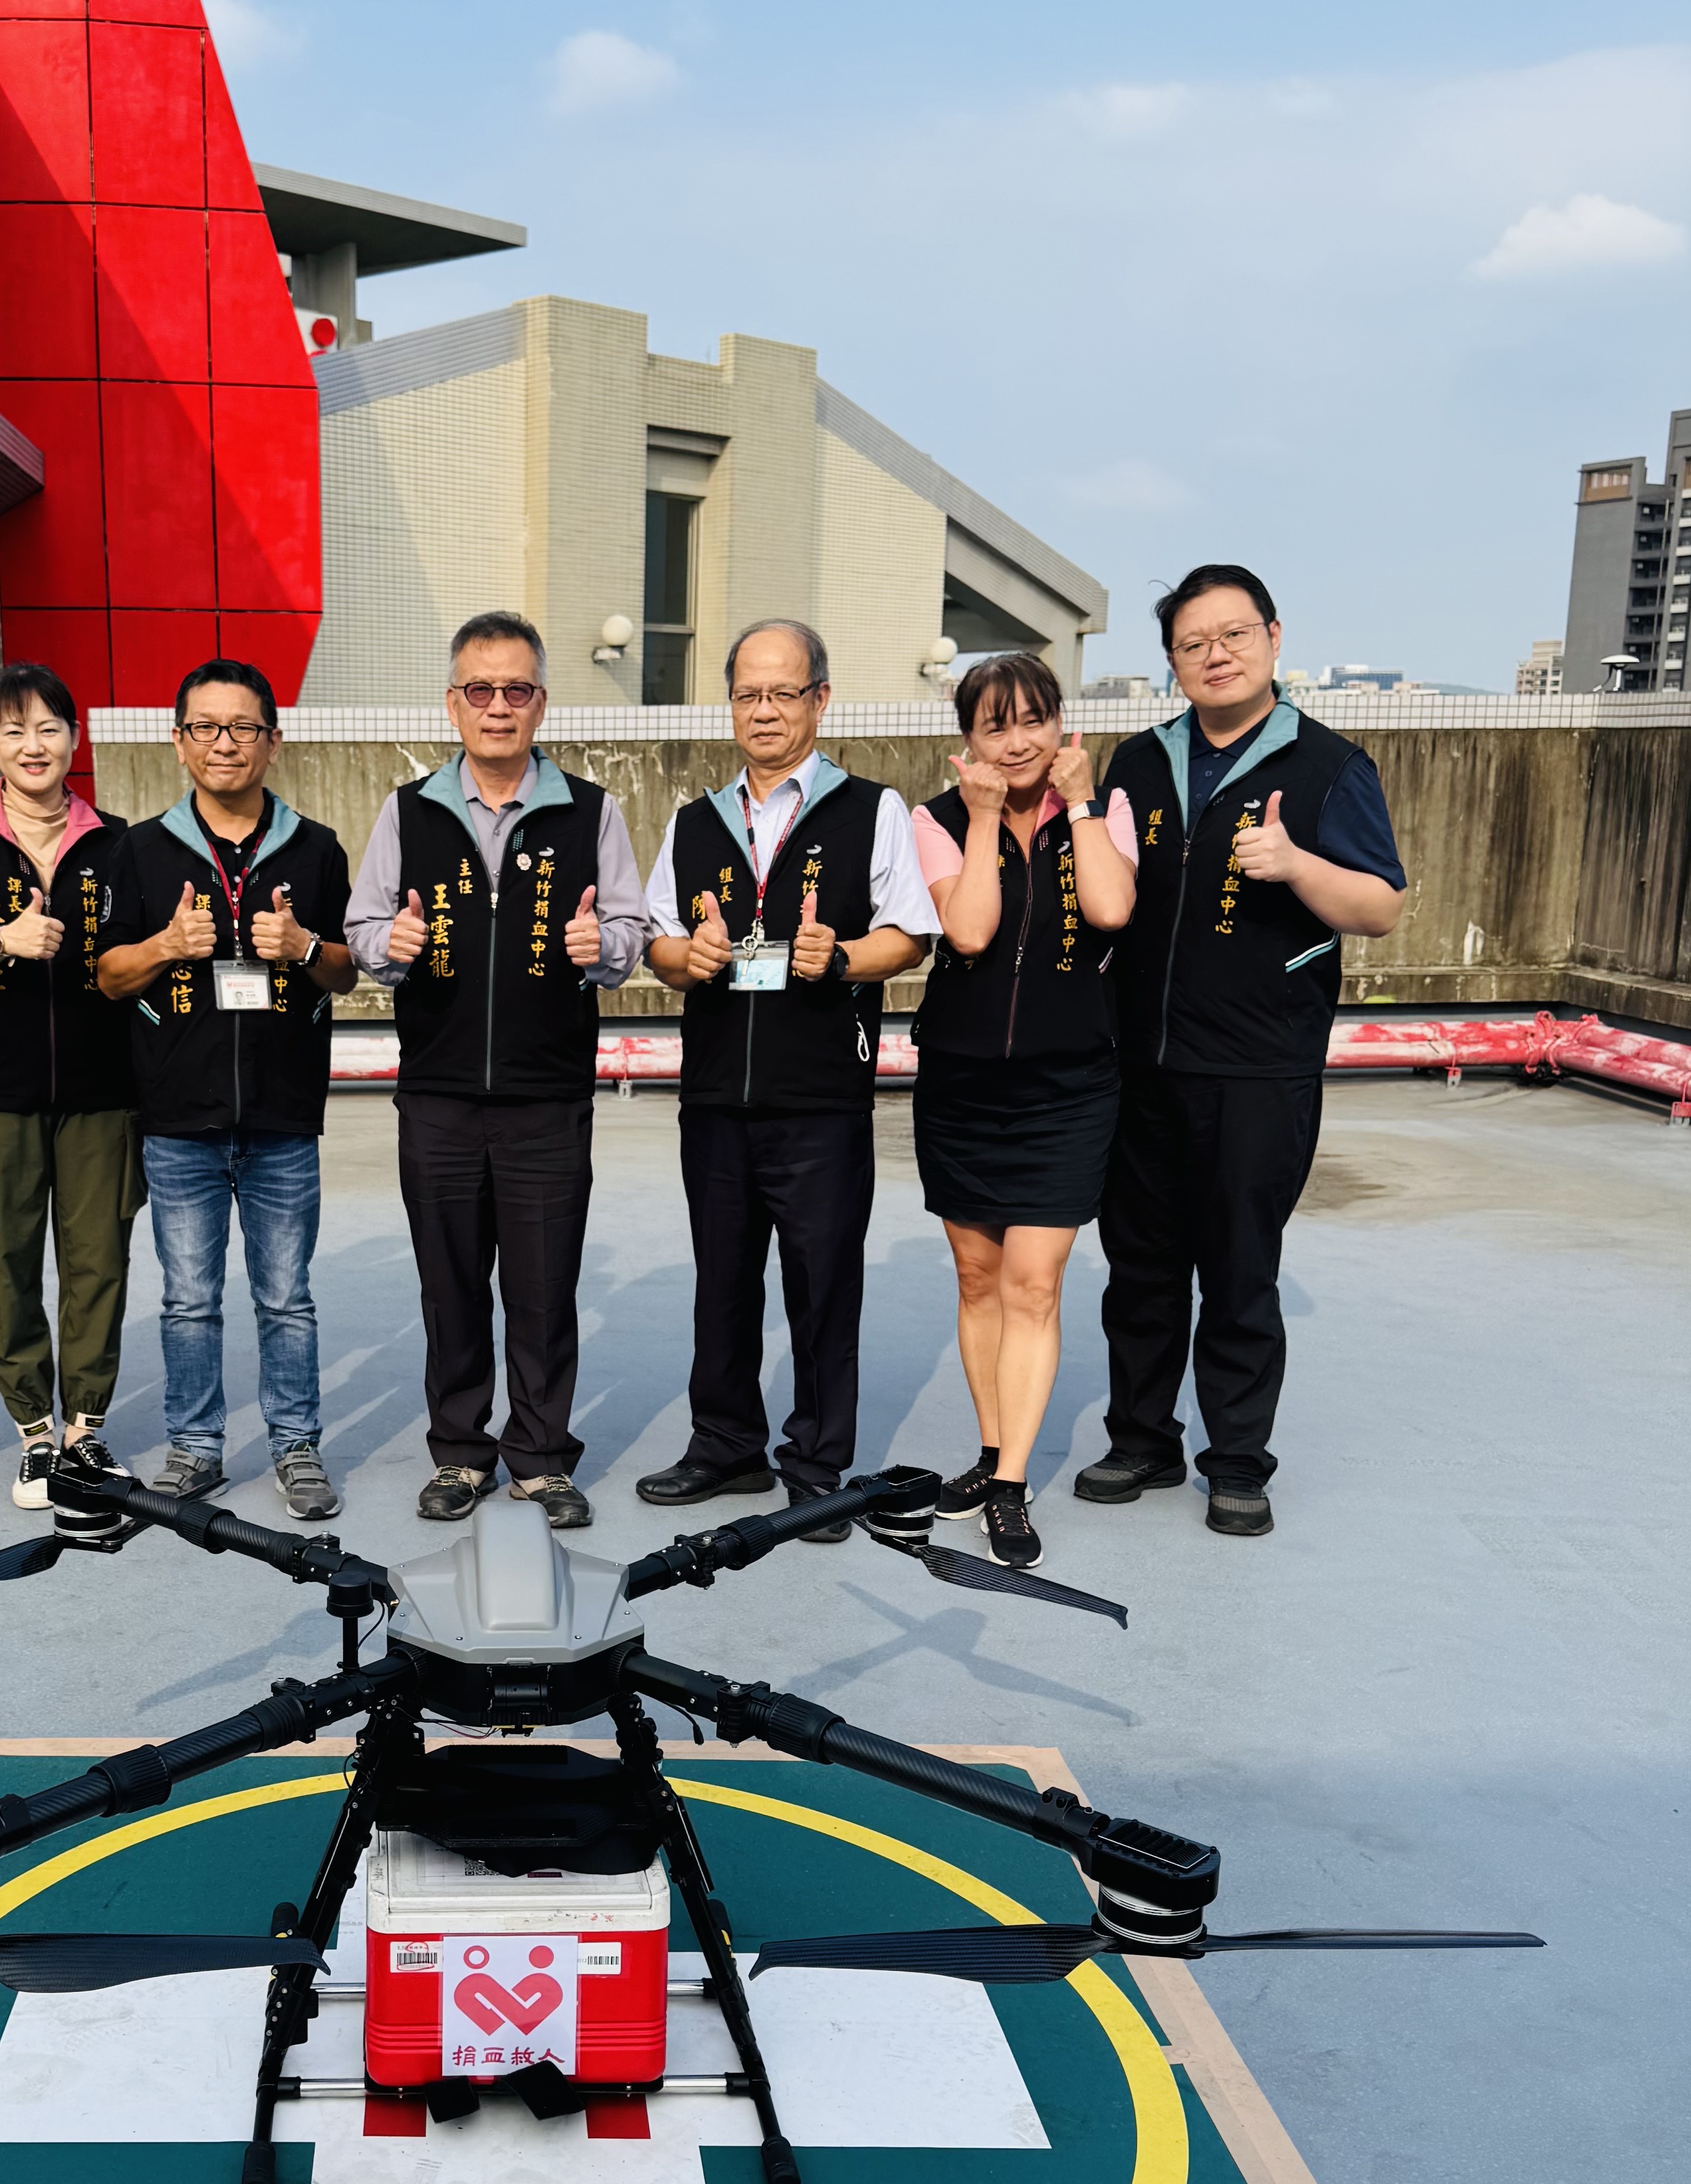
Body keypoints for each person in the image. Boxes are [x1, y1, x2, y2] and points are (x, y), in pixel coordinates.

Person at [1082, 565, 1407, 1535]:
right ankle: (1142, 1439)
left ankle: (1236, 1461)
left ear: (1272, 638)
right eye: (1193, 643)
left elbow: (1382, 907)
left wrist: (1298, 864)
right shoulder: (1139, 762)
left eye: (1233, 635)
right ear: (1174, 662)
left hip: (1260, 1067)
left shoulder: (1328, 767)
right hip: (1139, 1061)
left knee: (1237, 1267)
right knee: (1139, 1266)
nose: (1215, 655)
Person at [343, 612, 648, 1528]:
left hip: (547, 1095)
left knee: (544, 1286)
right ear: (453, 703)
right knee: (450, 1283)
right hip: (436, 1094)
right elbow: (362, 929)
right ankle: (462, 1453)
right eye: (480, 690)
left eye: (517, 690)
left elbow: (633, 932)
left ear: (541, 703)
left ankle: (542, 1456)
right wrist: (388, 946)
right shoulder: (407, 809)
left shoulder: (590, 810)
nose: (499, 707)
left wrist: (603, 945)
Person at [638, 621, 936, 1532]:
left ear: (820, 700)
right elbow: (655, 941)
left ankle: (816, 1465)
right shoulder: (697, 821)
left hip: (821, 1098)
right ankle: (724, 1447)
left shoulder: (871, 809)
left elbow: (911, 933)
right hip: (719, 1095)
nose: (764, 711)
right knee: (722, 1279)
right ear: (731, 704)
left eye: (784, 692)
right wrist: (688, 954)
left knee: (821, 1283)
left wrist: (841, 956)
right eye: (748, 695)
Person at [95, 659, 354, 1518]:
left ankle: (295, 1446)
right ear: (178, 742)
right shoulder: (139, 848)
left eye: (243, 727)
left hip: (283, 1115)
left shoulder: (315, 848)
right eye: (205, 727)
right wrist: (167, 945)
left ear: (273, 742)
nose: (224, 744)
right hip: (178, 1118)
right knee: (187, 1300)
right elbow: (107, 975)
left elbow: (346, 974)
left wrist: (304, 945)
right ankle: (196, 1447)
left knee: (287, 1297)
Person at [908, 653, 1136, 1570]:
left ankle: (1008, 1483)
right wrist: (983, 815)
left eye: (1035, 719)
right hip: (964, 1083)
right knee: (977, 1279)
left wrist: (1079, 809)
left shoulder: (1101, 810)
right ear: (968, 738)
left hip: (1070, 1085)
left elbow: (1113, 909)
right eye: (996, 725)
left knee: (1033, 1284)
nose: (1019, 741)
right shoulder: (933, 820)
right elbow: (967, 931)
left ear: (1060, 723)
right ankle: (991, 1447)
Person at [0, 662, 141, 1519]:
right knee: (4, 1264)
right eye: (13, 730)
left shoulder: (117, 840)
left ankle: (86, 1429)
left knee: (98, 1264)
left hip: (101, 1091)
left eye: (48, 727)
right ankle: (34, 1432)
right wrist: (4, 939)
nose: (33, 744)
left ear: (74, 739)